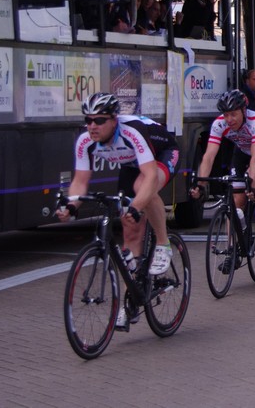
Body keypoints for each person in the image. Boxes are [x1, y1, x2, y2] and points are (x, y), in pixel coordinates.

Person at [57, 93, 179, 328]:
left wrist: (136, 206)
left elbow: (150, 176)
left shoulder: (132, 131)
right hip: (132, 165)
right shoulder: (85, 141)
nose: (92, 126)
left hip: (163, 153)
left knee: (143, 188)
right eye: (88, 120)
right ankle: (130, 300)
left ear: (114, 120)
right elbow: (80, 181)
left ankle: (163, 244)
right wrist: (71, 206)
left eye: (99, 120)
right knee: (130, 230)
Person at [190, 90, 255, 257]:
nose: (229, 119)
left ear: (244, 111)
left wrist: (251, 183)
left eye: (233, 114)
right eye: (226, 114)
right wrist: (201, 184)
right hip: (241, 152)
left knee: (254, 180)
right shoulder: (219, 124)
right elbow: (209, 156)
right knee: (236, 201)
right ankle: (232, 249)